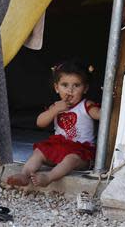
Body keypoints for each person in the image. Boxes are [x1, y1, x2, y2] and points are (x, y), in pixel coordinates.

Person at [7, 59, 101, 187]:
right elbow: (40, 123)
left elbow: (100, 115)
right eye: (65, 85)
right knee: (39, 151)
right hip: (59, 146)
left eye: (76, 85)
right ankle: (25, 174)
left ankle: (48, 177)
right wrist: (55, 110)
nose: (70, 90)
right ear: (57, 88)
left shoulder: (86, 105)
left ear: (85, 88)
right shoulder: (56, 106)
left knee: (71, 159)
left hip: (80, 152)